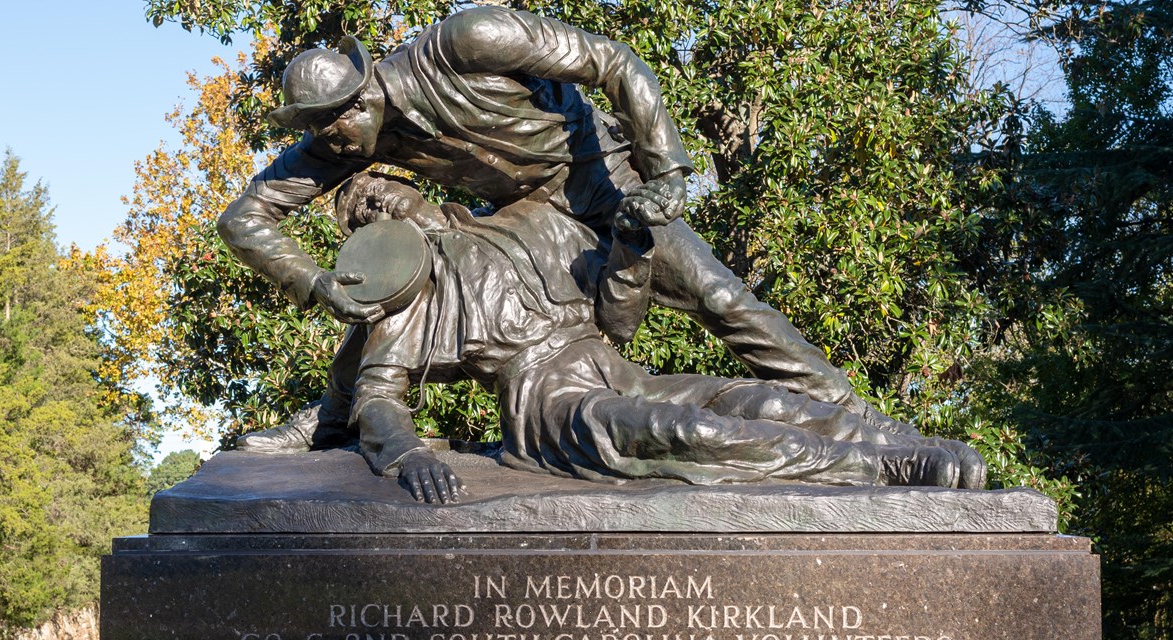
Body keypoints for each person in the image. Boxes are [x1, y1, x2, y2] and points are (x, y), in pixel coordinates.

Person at [218, 6, 915, 452]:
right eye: (313, 130)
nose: (327, 142)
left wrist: (666, 169)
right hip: (532, 218)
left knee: (722, 300)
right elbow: (244, 218)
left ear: (363, 90)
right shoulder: (350, 140)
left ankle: (863, 424)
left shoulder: (466, 41)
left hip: (605, 179)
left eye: (330, 122)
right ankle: (336, 416)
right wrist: (315, 283)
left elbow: (612, 61)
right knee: (403, 262)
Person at [330, 175, 981, 503]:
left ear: (409, 184)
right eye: (359, 212)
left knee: (759, 401)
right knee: (690, 433)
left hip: (614, 365)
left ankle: (906, 442)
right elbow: (377, 390)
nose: (374, 203)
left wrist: (634, 246)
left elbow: (619, 312)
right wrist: (404, 453)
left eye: (376, 188)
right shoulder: (410, 288)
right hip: (549, 401)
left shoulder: (531, 218)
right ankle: (882, 470)